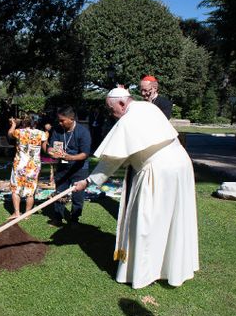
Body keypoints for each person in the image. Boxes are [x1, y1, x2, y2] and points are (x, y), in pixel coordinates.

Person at [72, 87, 199, 289]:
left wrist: (87, 182)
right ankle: (171, 269)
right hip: (181, 165)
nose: (110, 113)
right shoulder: (148, 108)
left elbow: (112, 160)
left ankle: (145, 273)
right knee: (172, 218)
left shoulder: (128, 120)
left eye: (110, 108)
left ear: (122, 104)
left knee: (146, 221)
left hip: (158, 171)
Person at [46, 107, 91, 226]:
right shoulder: (58, 130)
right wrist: (51, 151)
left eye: (62, 120)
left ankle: (75, 219)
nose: (60, 123)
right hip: (62, 167)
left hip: (79, 168)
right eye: (59, 120)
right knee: (60, 192)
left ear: (71, 119)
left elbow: (85, 154)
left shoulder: (83, 132)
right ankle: (58, 218)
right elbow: (51, 146)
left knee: (78, 195)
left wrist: (70, 157)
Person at [8, 116, 48, 220]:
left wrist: (13, 124)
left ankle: (17, 213)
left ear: (25, 122)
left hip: (19, 164)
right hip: (33, 166)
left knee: (16, 189)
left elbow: (9, 134)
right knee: (31, 190)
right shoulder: (41, 134)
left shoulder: (19, 132)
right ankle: (27, 214)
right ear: (36, 123)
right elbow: (45, 149)